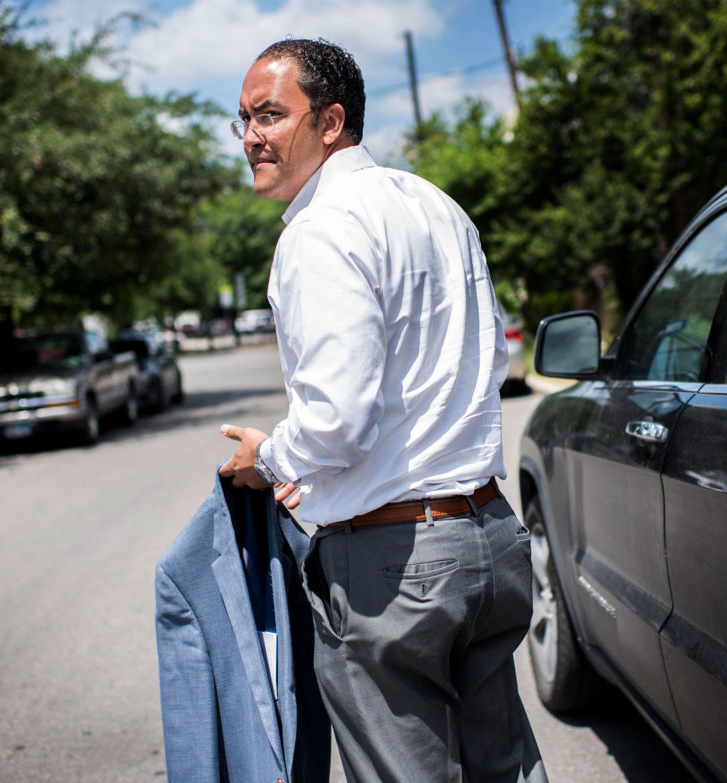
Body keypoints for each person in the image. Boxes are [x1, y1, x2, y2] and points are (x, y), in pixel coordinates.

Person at [218, 38, 547, 783]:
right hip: (489, 541)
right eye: (242, 119)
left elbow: (336, 416)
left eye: (270, 115)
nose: (250, 138)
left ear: (331, 122)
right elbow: (489, 359)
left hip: (396, 569)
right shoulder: (437, 204)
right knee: (508, 770)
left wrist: (265, 460)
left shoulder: (319, 230)